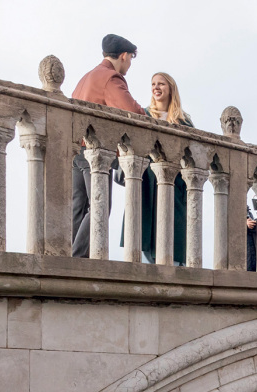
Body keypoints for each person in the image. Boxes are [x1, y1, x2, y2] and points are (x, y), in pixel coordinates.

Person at [70, 35, 144, 259]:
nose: (129, 64)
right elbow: (131, 111)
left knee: (78, 207)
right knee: (100, 207)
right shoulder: (110, 78)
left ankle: (70, 259)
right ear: (124, 56)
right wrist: (147, 114)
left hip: (76, 150)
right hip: (94, 152)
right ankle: (76, 259)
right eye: (130, 59)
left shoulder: (86, 77)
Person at [122, 72, 192, 265]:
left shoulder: (183, 121)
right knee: (143, 232)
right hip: (146, 183)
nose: (156, 87)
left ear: (170, 89)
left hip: (174, 185)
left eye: (161, 84)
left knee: (173, 236)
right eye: (153, 84)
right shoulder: (143, 114)